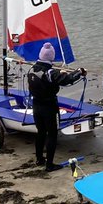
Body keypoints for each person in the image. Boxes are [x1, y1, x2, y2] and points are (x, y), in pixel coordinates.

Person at [27, 42, 85, 171]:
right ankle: (49, 165)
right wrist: (79, 72)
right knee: (52, 134)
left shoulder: (32, 69)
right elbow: (67, 80)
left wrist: (60, 73)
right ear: (51, 57)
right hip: (49, 106)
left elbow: (54, 78)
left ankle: (39, 159)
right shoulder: (50, 72)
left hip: (36, 104)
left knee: (41, 132)